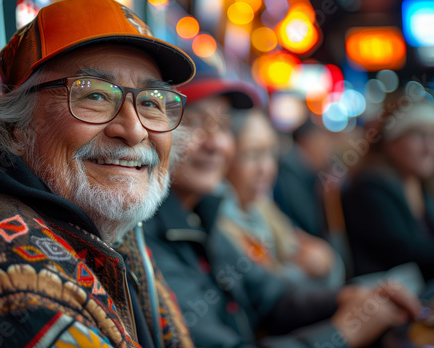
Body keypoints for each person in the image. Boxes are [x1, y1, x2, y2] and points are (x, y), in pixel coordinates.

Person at [0, 1, 196, 347]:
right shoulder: (15, 288)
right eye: (95, 95)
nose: (133, 130)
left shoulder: (105, 225)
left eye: (150, 102)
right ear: (17, 126)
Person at [143, 55, 421, 348]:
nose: (214, 143)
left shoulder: (200, 215)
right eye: (194, 123)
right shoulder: (144, 236)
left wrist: (349, 297)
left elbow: (274, 297)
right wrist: (341, 334)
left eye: (223, 126)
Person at [220, 107, 345, 288]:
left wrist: (323, 260)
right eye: (253, 154)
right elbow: (264, 291)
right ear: (225, 159)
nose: (266, 168)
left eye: (271, 154)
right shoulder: (219, 223)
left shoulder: (261, 205)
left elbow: (314, 253)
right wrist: (306, 269)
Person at [341, 85, 434, 282]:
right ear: (391, 142)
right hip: (385, 297)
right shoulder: (369, 188)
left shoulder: (419, 184)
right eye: (419, 135)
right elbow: (405, 253)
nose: (429, 148)